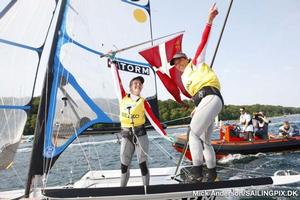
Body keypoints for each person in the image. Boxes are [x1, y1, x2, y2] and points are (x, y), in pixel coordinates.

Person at [169, 4, 223, 182]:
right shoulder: (184, 79)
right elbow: (196, 96)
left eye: (179, 60)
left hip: (212, 96)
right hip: (206, 102)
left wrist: (209, 20)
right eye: (174, 63)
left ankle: (197, 173)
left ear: (185, 58)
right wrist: (196, 107)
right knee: (206, 141)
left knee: (192, 134)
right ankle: (212, 175)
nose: (177, 64)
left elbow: (203, 41)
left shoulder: (196, 62)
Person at [108, 60, 171, 187]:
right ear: (130, 87)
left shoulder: (144, 102)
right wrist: (113, 64)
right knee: (124, 165)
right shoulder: (122, 97)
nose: (138, 85)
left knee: (142, 164)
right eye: (135, 83)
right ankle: (122, 191)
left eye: (140, 84)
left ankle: (146, 190)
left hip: (141, 135)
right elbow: (117, 81)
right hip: (126, 135)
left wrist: (166, 135)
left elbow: (154, 120)